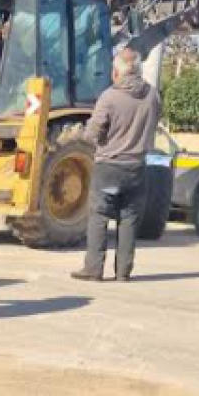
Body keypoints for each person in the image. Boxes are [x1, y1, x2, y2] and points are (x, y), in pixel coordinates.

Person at [72, 47, 162, 282]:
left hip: (108, 167)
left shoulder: (109, 97)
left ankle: (94, 269)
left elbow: (92, 133)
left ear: (116, 72)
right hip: (137, 168)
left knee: (99, 216)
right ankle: (123, 272)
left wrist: (83, 136)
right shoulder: (153, 96)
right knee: (129, 219)